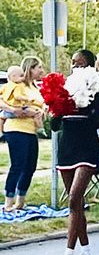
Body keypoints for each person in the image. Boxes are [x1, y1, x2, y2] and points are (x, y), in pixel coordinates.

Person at [55, 50, 99, 255]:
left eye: (80, 63)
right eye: (73, 64)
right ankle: (86, 253)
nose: (75, 67)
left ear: (89, 65)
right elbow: (55, 126)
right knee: (76, 206)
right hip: (67, 148)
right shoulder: (65, 89)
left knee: (74, 198)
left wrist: (80, 103)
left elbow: (95, 121)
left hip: (87, 147)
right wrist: (58, 108)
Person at [1, 58, 44, 211]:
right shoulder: (16, 86)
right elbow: (6, 102)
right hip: (16, 129)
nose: (41, 70)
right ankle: (8, 201)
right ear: (30, 69)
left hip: (31, 130)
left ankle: (21, 200)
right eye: (38, 67)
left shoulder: (35, 87)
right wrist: (17, 111)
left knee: (30, 166)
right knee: (18, 164)